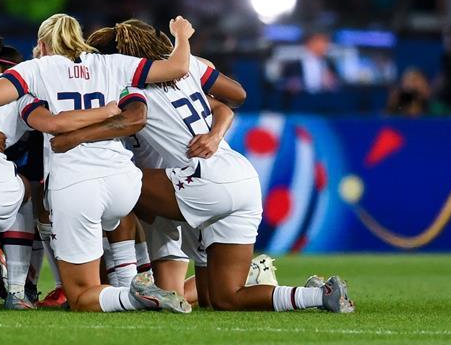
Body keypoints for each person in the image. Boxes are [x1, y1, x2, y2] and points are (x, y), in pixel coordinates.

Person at [53, 19, 353, 313]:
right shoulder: (188, 67)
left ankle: (126, 280)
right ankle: (317, 295)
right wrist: (214, 132)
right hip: (239, 175)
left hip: (199, 179)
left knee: (114, 182)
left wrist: (74, 136)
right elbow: (235, 97)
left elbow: (135, 119)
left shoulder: (126, 81)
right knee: (224, 298)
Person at [0, 13, 196, 314]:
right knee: (112, 218)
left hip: (77, 185)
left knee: (82, 296)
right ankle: (131, 279)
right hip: (124, 182)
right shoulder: (112, 62)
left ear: (43, 44)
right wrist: (181, 36)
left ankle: (133, 296)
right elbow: (178, 67)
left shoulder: (37, 68)